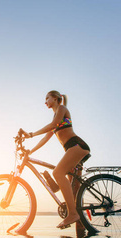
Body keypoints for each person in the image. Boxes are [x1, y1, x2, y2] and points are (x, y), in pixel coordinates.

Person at [21, 90, 90, 229]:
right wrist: (30, 151)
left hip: (77, 146)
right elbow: (45, 139)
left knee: (58, 173)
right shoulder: (56, 117)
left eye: (47, 98)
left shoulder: (62, 109)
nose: (45, 101)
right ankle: (78, 223)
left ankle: (73, 214)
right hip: (72, 149)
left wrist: (30, 134)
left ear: (55, 98)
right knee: (72, 190)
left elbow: (52, 125)